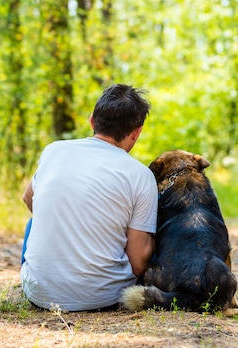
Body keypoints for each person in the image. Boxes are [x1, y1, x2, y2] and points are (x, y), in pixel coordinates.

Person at [20, 84, 158, 311]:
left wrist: (67, 222)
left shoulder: (54, 151)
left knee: (33, 224)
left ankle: (45, 278)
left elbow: (28, 199)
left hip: (38, 294)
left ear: (92, 121)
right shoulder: (141, 175)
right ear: (137, 132)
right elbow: (138, 262)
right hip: (106, 297)